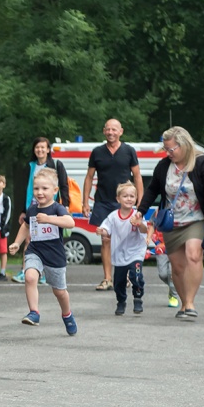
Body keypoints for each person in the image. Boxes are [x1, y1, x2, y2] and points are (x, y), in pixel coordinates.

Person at [136, 126, 204, 321]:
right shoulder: (164, 166)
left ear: (183, 145)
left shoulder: (201, 163)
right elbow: (152, 191)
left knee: (193, 255)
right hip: (171, 222)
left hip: (196, 219)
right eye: (166, 149)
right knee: (176, 267)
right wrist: (140, 211)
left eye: (171, 149)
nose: (168, 153)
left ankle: (191, 303)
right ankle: (184, 303)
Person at [8, 168, 78, 335]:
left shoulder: (57, 208)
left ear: (54, 191)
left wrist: (48, 219)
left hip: (55, 255)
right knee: (30, 276)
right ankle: (34, 313)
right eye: (36, 188)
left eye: (45, 189)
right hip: (35, 250)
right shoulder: (32, 209)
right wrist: (17, 243)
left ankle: (67, 315)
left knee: (59, 292)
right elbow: (25, 226)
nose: (40, 192)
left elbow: (70, 222)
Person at [83, 119, 142, 291]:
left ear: (121, 131)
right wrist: (85, 202)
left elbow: (137, 176)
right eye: (108, 129)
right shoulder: (97, 152)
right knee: (106, 239)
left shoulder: (129, 151)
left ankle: (124, 276)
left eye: (114, 130)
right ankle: (108, 278)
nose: (111, 132)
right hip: (103, 201)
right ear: (104, 131)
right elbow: (89, 177)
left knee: (125, 240)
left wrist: (140, 201)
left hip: (124, 203)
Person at [13, 137, 70, 284]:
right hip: (32, 206)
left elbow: (64, 185)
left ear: (48, 149)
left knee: (49, 238)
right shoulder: (30, 166)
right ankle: (28, 268)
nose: (40, 150)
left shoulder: (56, 164)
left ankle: (45, 269)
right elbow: (25, 189)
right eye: (37, 147)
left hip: (51, 207)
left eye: (43, 147)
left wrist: (66, 205)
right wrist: (23, 210)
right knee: (29, 237)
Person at [97, 182, 149, 315]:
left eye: (132, 196)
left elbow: (145, 229)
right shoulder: (113, 216)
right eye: (125, 196)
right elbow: (106, 230)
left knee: (136, 276)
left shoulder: (138, 214)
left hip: (136, 252)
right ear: (118, 199)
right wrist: (101, 231)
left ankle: (138, 299)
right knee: (118, 282)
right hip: (119, 254)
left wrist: (139, 224)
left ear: (136, 198)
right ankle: (121, 301)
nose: (129, 199)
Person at [147, 225, 180, 308]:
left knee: (171, 274)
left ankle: (173, 297)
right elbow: (151, 226)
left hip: (175, 247)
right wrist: (157, 242)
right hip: (161, 249)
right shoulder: (157, 213)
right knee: (163, 274)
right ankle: (173, 288)